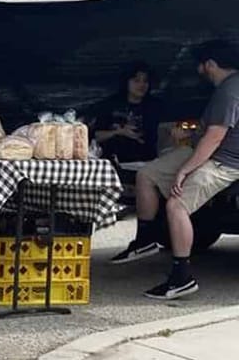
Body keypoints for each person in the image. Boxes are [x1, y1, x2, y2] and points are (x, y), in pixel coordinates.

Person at [111, 40, 239, 299]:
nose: (198, 72)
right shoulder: (226, 87)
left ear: (211, 64)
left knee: (176, 205)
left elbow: (215, 137)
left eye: (200, 66)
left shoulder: (230, 91)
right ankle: (145, 239)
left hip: (224, 162)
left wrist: (185, 170)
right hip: (202, 149)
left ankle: (182, 278)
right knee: (146, 174)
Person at [90, 62, 161, 163]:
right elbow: (96, 136)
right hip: (115, 161)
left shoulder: (155, 105)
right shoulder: (110, 105)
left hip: (147, 161)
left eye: (145, 81)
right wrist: (119, 132)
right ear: (126, 82)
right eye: (136, 81)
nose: (142, 85)